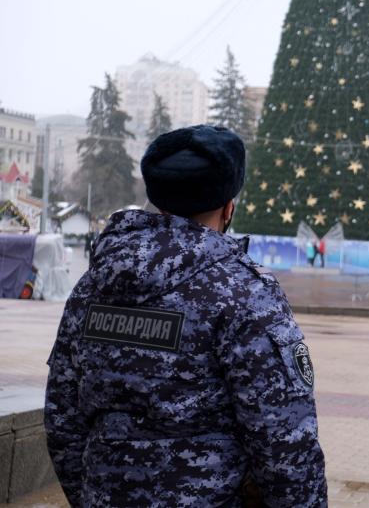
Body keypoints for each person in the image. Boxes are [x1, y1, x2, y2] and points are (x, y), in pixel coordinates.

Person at [44, 125, 327, 507]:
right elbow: (285, 442)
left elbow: (63, 420)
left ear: (158, 199)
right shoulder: (243, 293)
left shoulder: (92, 286)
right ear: (229, 207)